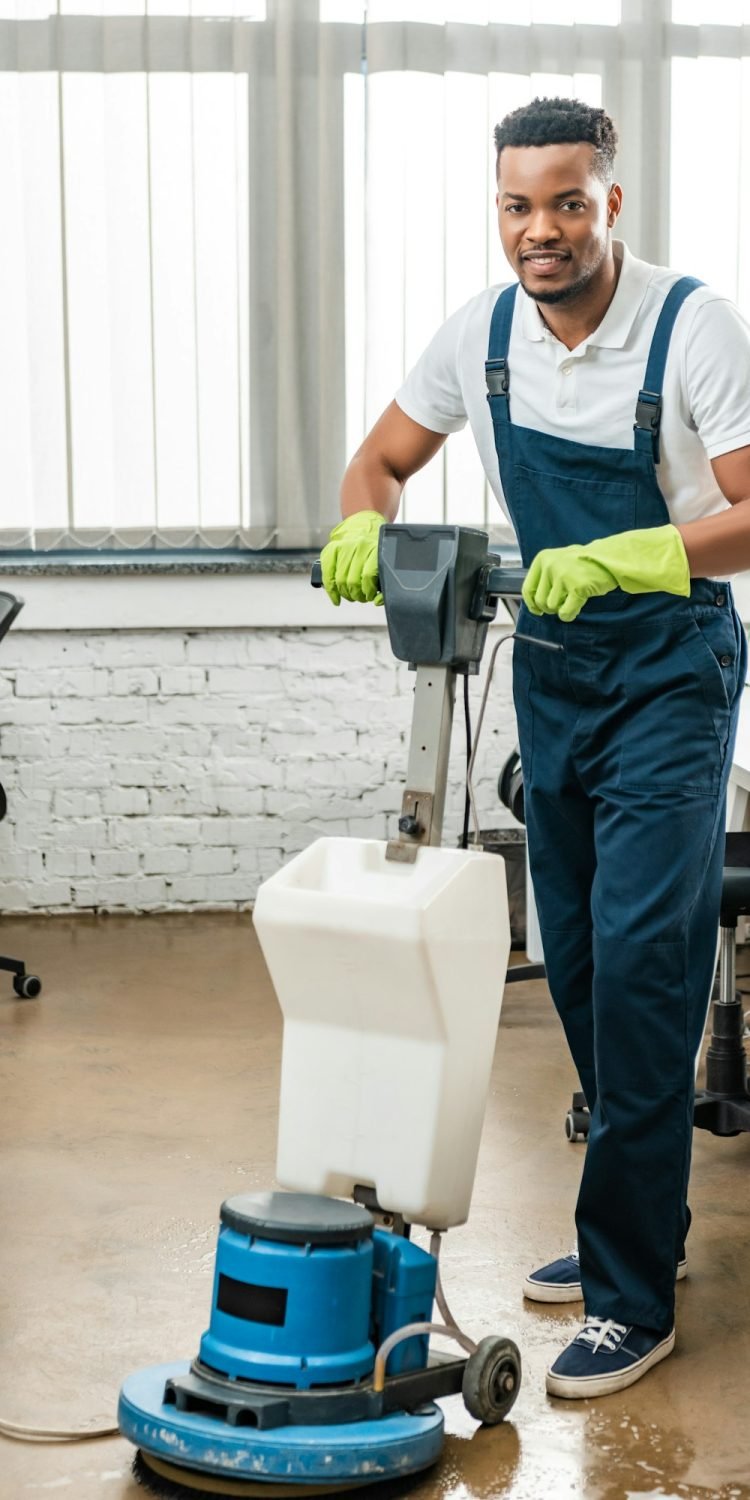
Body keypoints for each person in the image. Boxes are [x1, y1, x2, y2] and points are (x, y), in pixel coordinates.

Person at [319, 96, 750, 1398]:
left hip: (670, 682)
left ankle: (630, 1296)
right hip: (554, 687)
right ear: (496, 209)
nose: (540, 229)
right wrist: (361, 521)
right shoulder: (484, 334)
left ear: (609, 201)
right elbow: (382, 459)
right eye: (517, 205)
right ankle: (635, 1223)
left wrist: (645, 550)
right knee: (570, 963)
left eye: (566, 201)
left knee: (637, 974)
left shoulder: (689, 325)